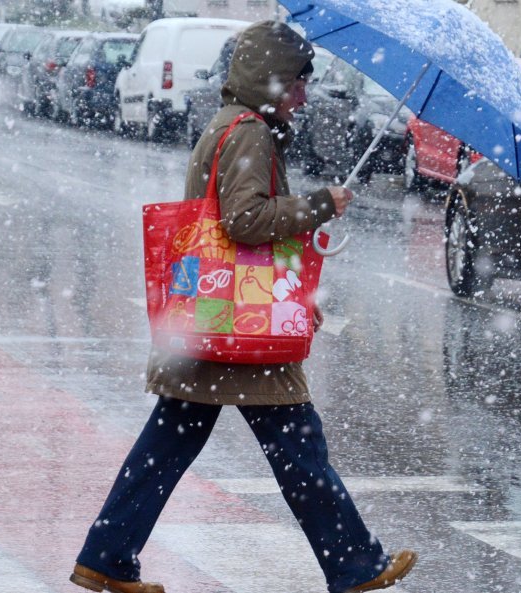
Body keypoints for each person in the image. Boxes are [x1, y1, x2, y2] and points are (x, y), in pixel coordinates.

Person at [69, 20, 417, 593]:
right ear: (273, 80)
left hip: (213, 316)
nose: (305, 95)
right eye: (299, 82)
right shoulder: (250, 132)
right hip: (239, 328)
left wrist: (294, 298)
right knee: (298, 449)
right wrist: (319, 204)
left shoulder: (229, 124)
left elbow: (232, 240)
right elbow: (245, 222)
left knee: (170, 442)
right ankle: (356, 565)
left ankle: (106, 556)